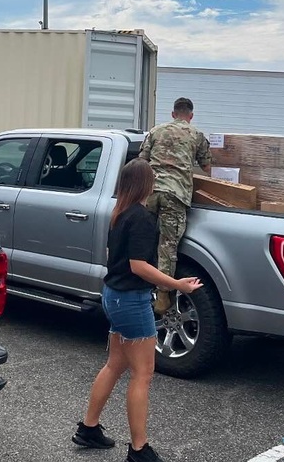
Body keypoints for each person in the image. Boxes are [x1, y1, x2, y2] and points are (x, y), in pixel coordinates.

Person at [73, 158, 203, 462]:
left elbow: (117, 259)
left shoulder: (120, 214)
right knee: (143, 373)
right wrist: (176, 284)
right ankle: (139, 449)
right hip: (130, 300)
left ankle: (88, 429)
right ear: (144, 183)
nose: (156, 179)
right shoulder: (142, 218)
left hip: (114, 295)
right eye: (153, 176)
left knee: (116, 364)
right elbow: (139, 266)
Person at [138, 97, 212, 315]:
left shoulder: (155, 131)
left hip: (150, 192)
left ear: (172, 114)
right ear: (191, 116)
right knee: (167, 246)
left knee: (144, 237)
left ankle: (138, 280)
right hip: (175, 195)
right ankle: (162, 296)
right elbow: (208, 167)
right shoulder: (196, 135)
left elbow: (141, 161)